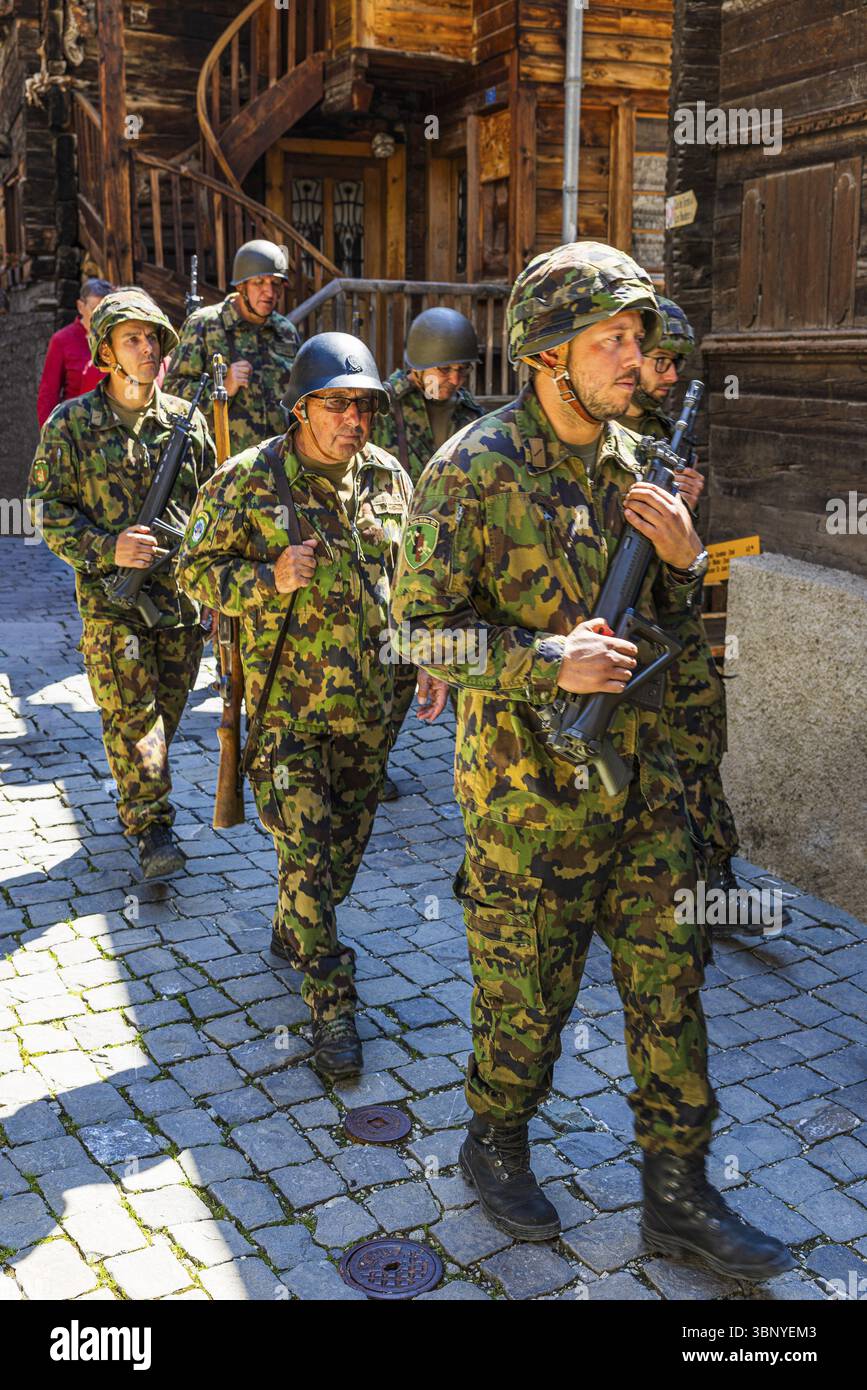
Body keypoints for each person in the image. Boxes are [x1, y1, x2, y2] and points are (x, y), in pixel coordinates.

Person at [390, 242, 792, 1281]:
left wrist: (682, 560)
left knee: (672, 985)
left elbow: (669, 632)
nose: (634, 359)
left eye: (636, 337)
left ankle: (679, 1192)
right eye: (610, 340)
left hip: (649, 788)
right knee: (527, 993)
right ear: (546, 357)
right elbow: (419, 632)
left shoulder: (636, 464)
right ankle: (497, 1136)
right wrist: (542, 662)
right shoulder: (470, 469)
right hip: (529, 799)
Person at [176, 333, 448, 1082]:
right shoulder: (246, 480)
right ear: (300, 408)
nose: (353, 418)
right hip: (287, 710)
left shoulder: (390, 476)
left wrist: (432, 657)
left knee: (337, 857)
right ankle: (332, 1004)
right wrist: (267, 575)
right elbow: (193, 569)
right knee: (306, 849)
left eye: (364, 405)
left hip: (374, 707)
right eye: (337, 404)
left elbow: (416, 577)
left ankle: (294, 920)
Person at [25, 288, 216, 879]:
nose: (146, 348)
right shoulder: (72, 425)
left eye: (153, 337)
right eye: (132, 338)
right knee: (133, 716)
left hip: (179, 604)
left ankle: (137, 795)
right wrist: (110, 548)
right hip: (113, 604)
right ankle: (152, 827)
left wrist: (215, 589)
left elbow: (211, 508)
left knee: (166, 714)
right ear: (106, 351)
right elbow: (47, 508)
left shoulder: (190, 420)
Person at [614, 297, 770, 933]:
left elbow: (683, 550)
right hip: (608, 624)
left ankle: (717, 883)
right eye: (662, 362)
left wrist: (689, 513)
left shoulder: (667, 429)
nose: (672, 375)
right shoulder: (593, 431)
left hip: (669, 621)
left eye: (677, 363)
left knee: (699, 738)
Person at [371, 307, 485, 798]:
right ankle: (368, 768)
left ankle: (481, 775)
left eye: (461, 370)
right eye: (445, 370)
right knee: (391, 676)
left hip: (453, 562)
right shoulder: (381, 406)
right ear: (418, 366)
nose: (455, 379)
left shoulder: (472, 417)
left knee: (466, 667)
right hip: (393, 557)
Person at [163, 239, 300, 454]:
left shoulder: (286, 332)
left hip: (278, 464)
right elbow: (170, 396)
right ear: (240, 286)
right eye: (259, 283)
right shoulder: (204, 325)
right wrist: (221, 388)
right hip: (222, 466)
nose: (269, 292)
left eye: (275, 283)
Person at [36, 277, 114, 427]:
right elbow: (48, 394)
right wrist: (49, 435)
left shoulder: (117, 339)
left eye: (106, 310)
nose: (102, 317)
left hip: (113, 428)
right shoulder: (62, 340)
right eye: (95, 310)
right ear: (80, 306)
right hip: (76, 426)